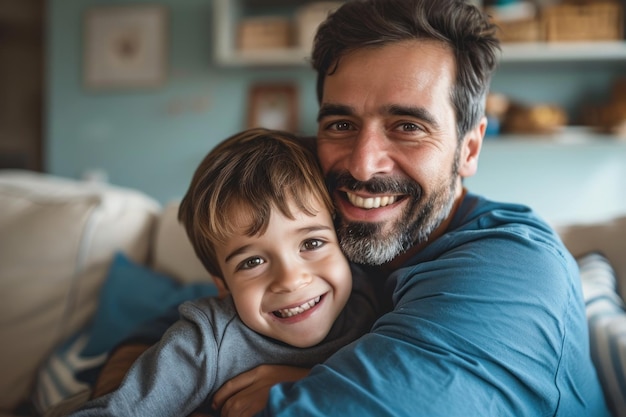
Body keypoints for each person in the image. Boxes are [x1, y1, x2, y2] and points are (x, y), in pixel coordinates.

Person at [90, 0, 610, 416]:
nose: (362, 165)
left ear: (468, 149)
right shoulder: (339, 225)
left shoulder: (511, 271)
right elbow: (193, 314)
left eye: (407, 126)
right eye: (340, 124)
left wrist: (281, 387)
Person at [66, 128, 386, 417]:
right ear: (222, 284)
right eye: (252, 262)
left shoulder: (365, 290)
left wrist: (311, 379)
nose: (290, 279)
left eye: (312, 242)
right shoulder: (205, 344)